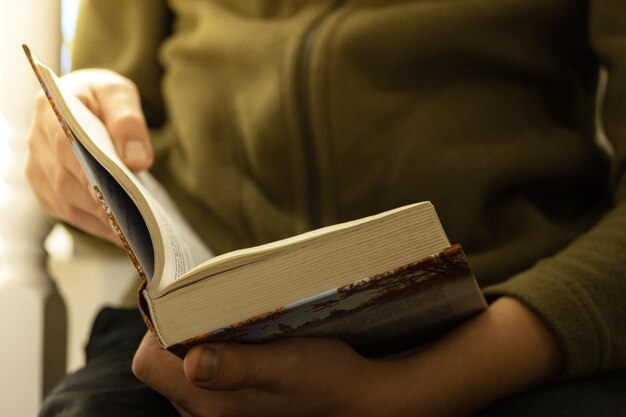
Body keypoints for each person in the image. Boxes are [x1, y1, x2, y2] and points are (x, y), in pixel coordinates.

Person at [27, 1, 626, 416]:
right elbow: (119, 104)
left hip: (512, 326)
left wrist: (416, 391)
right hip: (193, 332)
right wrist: (77, 144)